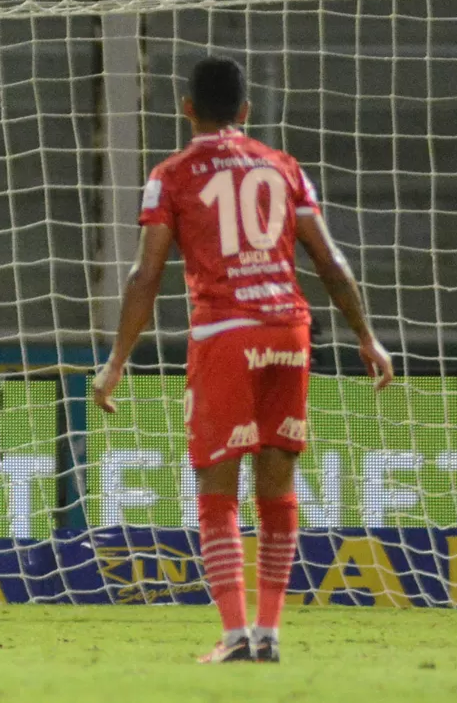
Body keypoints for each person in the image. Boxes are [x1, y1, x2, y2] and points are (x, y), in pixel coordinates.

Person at [92, 57, 394, 663]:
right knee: (277, 483)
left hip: (226, 331)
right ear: (247, 111)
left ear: (186, 108)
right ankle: (271, 633)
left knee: (217, 484)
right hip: (289, 331)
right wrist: (367, 336)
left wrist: (117, 359)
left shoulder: (172, 175)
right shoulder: (283, 167)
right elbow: (330, 261)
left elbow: (145, 272)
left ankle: (234, 634)